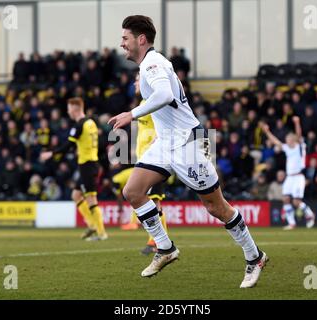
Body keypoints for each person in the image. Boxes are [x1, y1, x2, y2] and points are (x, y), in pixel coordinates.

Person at [108, 15, 267, 288]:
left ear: (141, 39)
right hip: (165, 142)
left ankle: (255, 257)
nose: (122, 44)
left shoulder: (153, 64)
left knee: (216, 207)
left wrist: (131, 114)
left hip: (187, 144)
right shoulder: (150, 64)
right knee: (133, 192)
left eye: (125, 38)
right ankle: (165, 248)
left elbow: (164, 96)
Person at [113, 73, 170, 256]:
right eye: (135, 80)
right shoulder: (141, 106)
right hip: (144, 160)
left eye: (138, 80)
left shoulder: (155, 103)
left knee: (154, 201)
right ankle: (158, 241)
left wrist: (160, 138)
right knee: (151, 201)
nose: (135, 83)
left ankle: (158, 242)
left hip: (156, 159)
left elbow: (168, 123)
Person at [40, 97, 107, 241]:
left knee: (91, 199)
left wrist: (51, 153)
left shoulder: (79, 125)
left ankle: (101, 233)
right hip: (90, 163)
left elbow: (67, 146)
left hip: (88, 165)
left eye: (69, 109)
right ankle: (92, 225)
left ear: (75, 109)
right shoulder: (91, 123)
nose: (68, 111)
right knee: (76, 195)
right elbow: (99, 143)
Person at [261, 116, 316, 230]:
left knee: (296, 201)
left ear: (294, 140)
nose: (287, 142)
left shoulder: (300, 147)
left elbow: (299, 135)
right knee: (285, 199)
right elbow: (276, 142)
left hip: (298, 177)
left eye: (289, 140)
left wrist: (297, 122)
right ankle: (292, 223)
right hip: (289, 177)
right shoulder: (287, 148)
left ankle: (310, 215)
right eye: (287, 140)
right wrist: (267, 132)